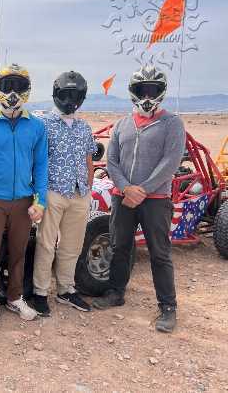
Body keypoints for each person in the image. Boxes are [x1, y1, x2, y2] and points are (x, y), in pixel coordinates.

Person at [92, 65, 186, 334]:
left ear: (161, 92)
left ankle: (167, 306)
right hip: (122, 198)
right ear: (133, 92)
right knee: (119, 246)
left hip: (155, 199)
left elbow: (171, 162)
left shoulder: (172, 124)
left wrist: (142, 190)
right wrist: (126, 188)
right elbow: (112, 160)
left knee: (160, 253)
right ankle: (115, 292)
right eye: (142, 90)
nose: (147, 96)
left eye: (152, 90)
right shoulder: (122, 124)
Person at [0, 64, 48, 329]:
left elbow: (41, 166)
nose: (13, 92)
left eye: (19, 86)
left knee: (18, 251)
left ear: (27, 90)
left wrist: (41, 201)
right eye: (7, 86)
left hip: (24, 200)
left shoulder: (36, 126)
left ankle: (15, 297)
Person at [32, 71, 95, 317]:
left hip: (79, 195)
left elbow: (88, 160)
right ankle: (40, 292)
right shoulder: (43, 124)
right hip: (53, 191)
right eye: (66, 94)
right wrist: (38, 195)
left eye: (75, 95)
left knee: (72, 245)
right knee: (45, 244)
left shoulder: (84, 127)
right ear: (57, 94)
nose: (70, 100)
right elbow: (36, 160)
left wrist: (88, 189)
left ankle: (66, 289)